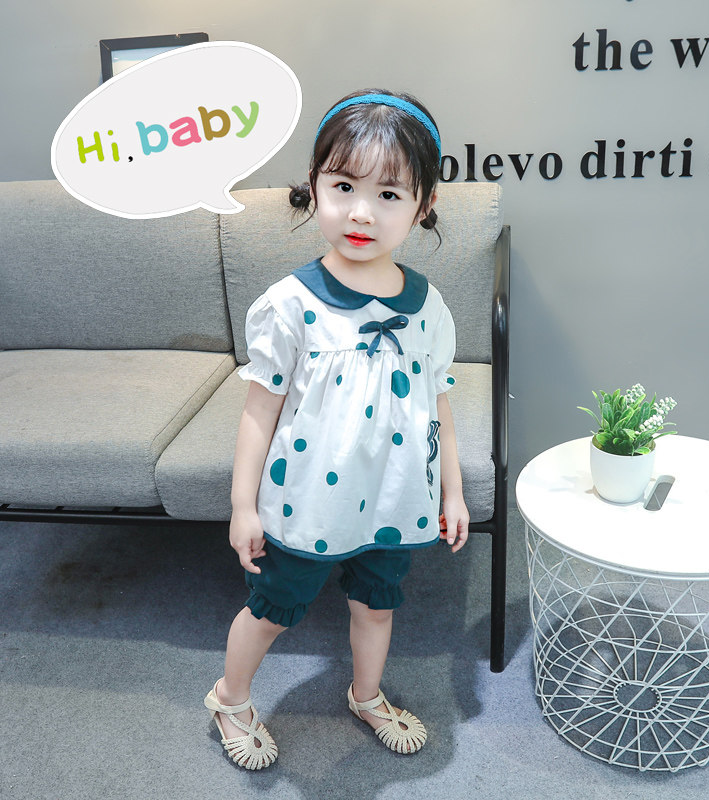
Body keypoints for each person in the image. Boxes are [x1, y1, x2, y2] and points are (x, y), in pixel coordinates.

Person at [204, 89, 469, 770]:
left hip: (394, 497)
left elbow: (439, 402)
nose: (361, 212)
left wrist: (453, 492)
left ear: (424, 205)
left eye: (389, 194)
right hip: (307, 501)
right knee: (273, 607)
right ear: (314, 186)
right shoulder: (290, 305)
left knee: (377, 605)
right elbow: (259, 410)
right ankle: (230, 698)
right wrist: (241, 506)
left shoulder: (430, 308)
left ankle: (366, 694)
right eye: (344, 186)